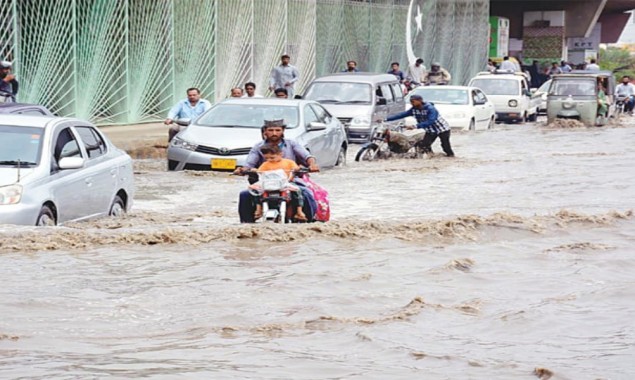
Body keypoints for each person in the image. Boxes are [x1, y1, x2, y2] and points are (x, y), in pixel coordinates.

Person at [234, 119, 320, 223]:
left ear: (283, 131)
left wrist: (312, 164)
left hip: (289, 181)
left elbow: (307, 156)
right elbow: (249, 164)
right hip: (266, 183)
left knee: (306, 193)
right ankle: (246, 226)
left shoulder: (291, 144)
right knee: (245, 195)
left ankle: (308, 222)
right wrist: (242, 170)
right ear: (265, 131)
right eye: (271, 130)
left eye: (277, 130)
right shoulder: (258, 147)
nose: (274, 133)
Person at [384, 94, 454, 157]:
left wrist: (415, 126)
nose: (412, 103)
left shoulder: (430, 109)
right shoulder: (414, 110)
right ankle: (431, 156)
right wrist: (385, 119)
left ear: (420, 101)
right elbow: (401, 115)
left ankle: (451, 156)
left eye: (413, 101)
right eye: (411, 101)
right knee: (424, 145)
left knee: (445, 145)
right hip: (430, 130)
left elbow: (430, 121)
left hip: (442, 129)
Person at [251, 144, 306, 221]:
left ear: (281, 154)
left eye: (272, 157)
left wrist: (299, 169)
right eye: (266, 158)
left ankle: (299, 211)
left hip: (285, 183)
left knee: (297, 191)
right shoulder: (265, 164)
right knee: (256, 190)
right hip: (268, 184)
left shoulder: (289, 162)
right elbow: (259, 171)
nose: (270, 160)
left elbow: (296, 169)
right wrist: (254, 170)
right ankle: (258, 209)